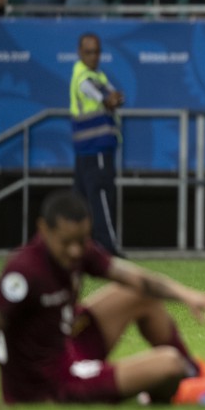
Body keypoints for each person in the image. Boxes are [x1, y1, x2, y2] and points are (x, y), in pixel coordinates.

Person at [0, 190, 205, 410]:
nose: (75, 250)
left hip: (68, 343)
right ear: (44, 229)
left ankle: (192, 373)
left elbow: (135, 278)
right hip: (51, 385)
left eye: (82, 240)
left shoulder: (79, 249)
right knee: (169, 364)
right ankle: (181, 382)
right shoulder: (24, 272)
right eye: (66, 243)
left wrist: (187, 295)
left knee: (139, 294)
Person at [70, 33, 124, 255]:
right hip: (96, 148)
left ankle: (78, 248)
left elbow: (116, 97)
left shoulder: (96, 75)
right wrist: (110, 99)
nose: (94, 56)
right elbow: (109, 98)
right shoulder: (85, 78)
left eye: (97, 52)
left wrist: (112, 98)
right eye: (89, 52)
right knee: (101, 198)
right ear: (80, 52)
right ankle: (107, 248)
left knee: (80, 203)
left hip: (86, 150)